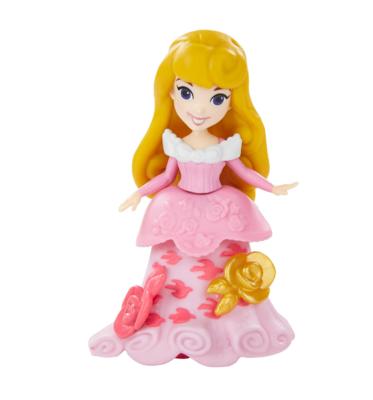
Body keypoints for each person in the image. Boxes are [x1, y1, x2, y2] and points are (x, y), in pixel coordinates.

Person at [89, 30, 297, 367]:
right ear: (172, 93)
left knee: (223, 263)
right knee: (170, 265)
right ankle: (174, 319)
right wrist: (139, 194)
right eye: (187, 93)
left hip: (221, 207)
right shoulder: (175, 143)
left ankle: (219, 323)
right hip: (176, 206)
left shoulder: (225, 145)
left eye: (217, 98)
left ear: (231, 101)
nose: (200, 109)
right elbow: (165, 176)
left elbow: (243, 172)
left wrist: (272, 188)